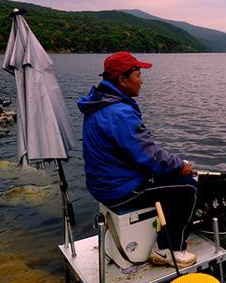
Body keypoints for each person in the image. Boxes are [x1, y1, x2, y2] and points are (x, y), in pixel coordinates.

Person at [78, 52, 198, 268]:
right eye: (138, 74)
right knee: (189, 188)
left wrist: (172, 167)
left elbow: (138, 153)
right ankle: (168, 250)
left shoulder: (98, 104)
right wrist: (181, 165)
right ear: (122, 80)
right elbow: (148, 155)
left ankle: (167, 235)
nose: (142, 80)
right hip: (119, 191)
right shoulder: (118, 112)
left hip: (103, 184)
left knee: (171, 176)